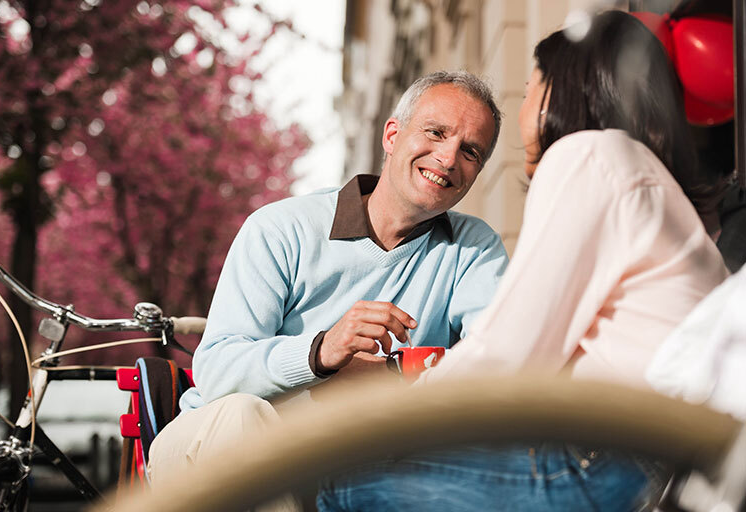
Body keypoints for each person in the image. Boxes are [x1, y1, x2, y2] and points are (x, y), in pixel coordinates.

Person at [317, 10, 729, 512]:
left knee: (341, 478)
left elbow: (509, 354)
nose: (526, 104)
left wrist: (405, 397)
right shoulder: (650, 182)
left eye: (531, 87)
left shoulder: (588, 156)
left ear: (561, 91)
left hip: (615, 464)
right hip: (662, 460)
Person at [146, 71, 509, 486]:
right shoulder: (280, 228)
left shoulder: (474, 248)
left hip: (348, 464)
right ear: (392, 136)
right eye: (435, 132)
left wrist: (393, 376)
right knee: (242, 416)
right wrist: (322, 354)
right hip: (209, 451)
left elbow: (499, 362)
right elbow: (217, 373)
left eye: (470, 152)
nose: (447, 159)